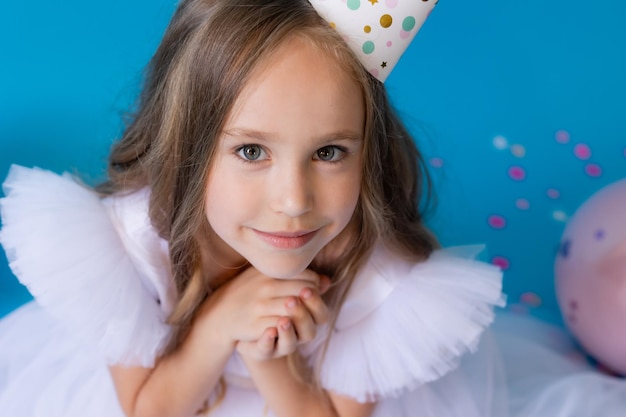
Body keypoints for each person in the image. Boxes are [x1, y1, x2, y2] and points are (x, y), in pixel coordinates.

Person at [4, 1, 623, 416]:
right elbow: (150, 409)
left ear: (369, 148)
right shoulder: (133, 241)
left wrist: (272, 362)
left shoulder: (378, 277)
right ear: (188, 146)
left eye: (329, 151)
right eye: (251, 150)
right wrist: (220, 325)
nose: (295, 201)